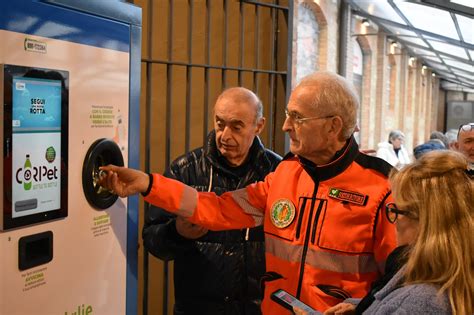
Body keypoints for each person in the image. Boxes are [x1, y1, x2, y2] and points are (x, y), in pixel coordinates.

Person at [99, 71, 397, 313]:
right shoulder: (285, 174)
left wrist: (361, 307)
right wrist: (148, 184)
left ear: (334, 127)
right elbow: (218, 208)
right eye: (286, 115)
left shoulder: (382, 189)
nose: (285, 127)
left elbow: (405, 277)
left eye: (297, 117)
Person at [143, 87, 281, 315]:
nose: (225, 136)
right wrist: (177, 233)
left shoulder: (278, 173)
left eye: (236, 127)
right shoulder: (184, 170)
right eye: (219, 124)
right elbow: (152, 242)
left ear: (259, 126)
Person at [312, 150, 473, 315]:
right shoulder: (454, 280)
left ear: (426, 223)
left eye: (396, 210)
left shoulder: (415, 303)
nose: (393, 220)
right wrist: (363, 307)